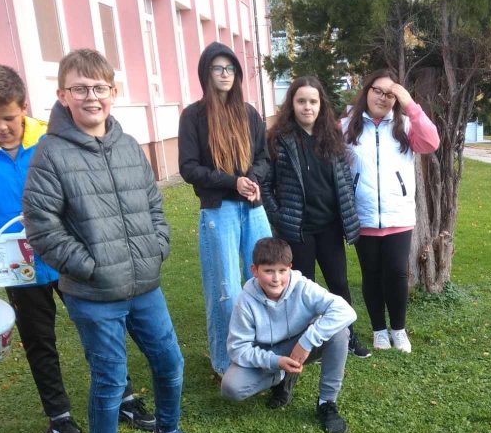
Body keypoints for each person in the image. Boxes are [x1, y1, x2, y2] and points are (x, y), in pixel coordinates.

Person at [23, 49, 199, 433]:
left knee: (170, 363)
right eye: (80, 88)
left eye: (99, 88)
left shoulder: (127, 145)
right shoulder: (50, 153)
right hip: (93, 293)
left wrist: (156, 248)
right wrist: (91, 266)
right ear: (62, 95)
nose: (91, 97)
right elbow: (42, 227)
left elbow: (154, 206)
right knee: (109, 378)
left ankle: (168, 431)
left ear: (113, 93)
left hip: (144, 284)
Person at [0, 63, 154, 433]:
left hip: (68, 254)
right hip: (17, 265)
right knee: (38, 338)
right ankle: (59, 416)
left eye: (9, 117)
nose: (2, 126)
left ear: (24, 106)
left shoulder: (53, 139)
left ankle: (124, 398)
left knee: (100, 327)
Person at [178, 42, 272, 379]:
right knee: (226, 289)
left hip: (253, 208)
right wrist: (233, 182)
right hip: (219, 211)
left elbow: (263, 157)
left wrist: (253, 179)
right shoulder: (193, 116)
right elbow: (188, 168)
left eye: (230, 68)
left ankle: (262, 351)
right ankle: (224, 362)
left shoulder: (248, 113)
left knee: (264, 281)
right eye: (218, 68)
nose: (224, 74)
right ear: (206, 73)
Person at [263, 76, 371, 359]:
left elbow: (344, 179)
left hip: (330, 227)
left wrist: (346, 214)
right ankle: (306, 343)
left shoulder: (332, 136)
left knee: (338, 284)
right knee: (303, 288)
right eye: (301, 101)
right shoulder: (279, 140)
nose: (307, 107)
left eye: (313, 101)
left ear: (321, 104)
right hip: (298, 230)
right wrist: (278, 214)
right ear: (292, 104)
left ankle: (347, 336)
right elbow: (265, 184)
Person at [343, 69, 439, 354]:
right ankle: (378, 330)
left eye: (390, 94)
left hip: (398, 216)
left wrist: (410, 104)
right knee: (371, 275)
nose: (383, 98)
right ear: (366, 91)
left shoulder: (406, 126)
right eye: (378, 91)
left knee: (397, 273)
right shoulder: (347, 127)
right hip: (363, 216)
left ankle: (398, 329)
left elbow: (432, 142)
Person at [220, 237, 355, 433]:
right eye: (268, 271)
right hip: (268, 352)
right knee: (231, 387)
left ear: (290, 268)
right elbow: (238, 348)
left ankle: (327, 402)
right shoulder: (245, 301)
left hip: (300, 345)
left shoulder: (302, 286)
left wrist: (307, 341)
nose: (276, 278)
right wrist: (276, 362)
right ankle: (282, 376)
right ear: (254, 271)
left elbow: (346, 311)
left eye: (282, 271)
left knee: (340, 332)